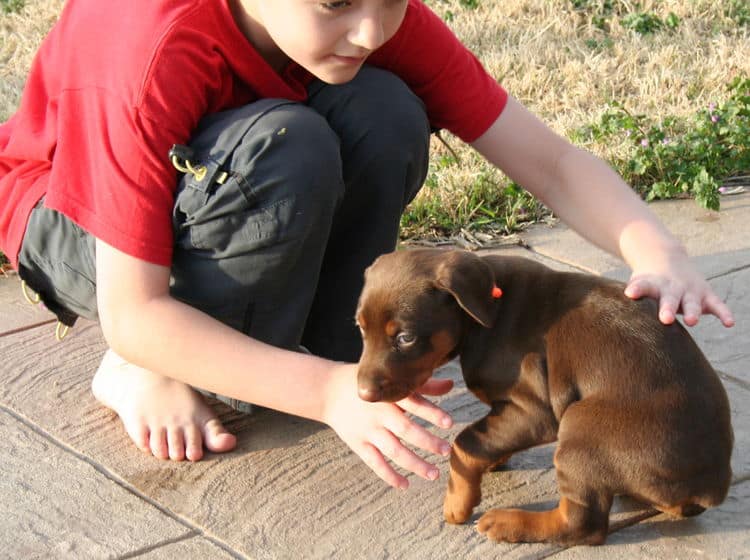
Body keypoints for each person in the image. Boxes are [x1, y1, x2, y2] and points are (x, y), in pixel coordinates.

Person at [0, 0, 734, 490]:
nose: (371, 30)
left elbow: (549, 160)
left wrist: (653, 248)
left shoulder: (367, 14)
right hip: (75, 221)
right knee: (290, 149)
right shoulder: (148, 47)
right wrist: (323, 394)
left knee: (382, 107)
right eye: (335, 4)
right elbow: (135, 306)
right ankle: (134, 372)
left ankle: (284, 341)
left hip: (222, 182)